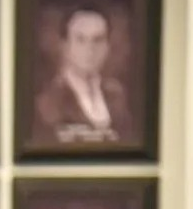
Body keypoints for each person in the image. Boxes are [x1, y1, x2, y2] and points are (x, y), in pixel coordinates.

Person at [33, 4, 133, 144]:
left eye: (98, 40)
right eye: (81, 39)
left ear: (107, 47)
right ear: (65, 45)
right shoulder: (48, 103)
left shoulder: (118, 96)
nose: (90, 49)